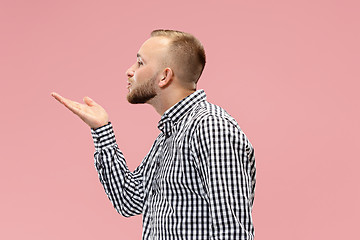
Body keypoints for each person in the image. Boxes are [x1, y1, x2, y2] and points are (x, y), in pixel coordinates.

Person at [51, 29, 256, 240]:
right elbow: (129, 199)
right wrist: (101, 129)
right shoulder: (170, 134)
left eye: (140, 63)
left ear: (164, 76)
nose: (129, 71)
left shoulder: (211, 127)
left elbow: (233, 232)